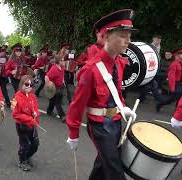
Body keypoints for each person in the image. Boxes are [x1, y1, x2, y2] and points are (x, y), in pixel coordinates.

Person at [66, 9, 137, 180]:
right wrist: (73, 134)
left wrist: (124, 107)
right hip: (99, 127)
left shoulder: (119, 63)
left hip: (116, 122)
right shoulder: (90, 69)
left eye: (129, 36)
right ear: (105, 36)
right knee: (115, 170)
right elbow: (77, 105)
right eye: (122, 35)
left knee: (102, 163)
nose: (128, 41)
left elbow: (116, 93)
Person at [11, 75, 40, 171]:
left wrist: (36, 113)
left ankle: (27, 156)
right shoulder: (17, 97)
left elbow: (35, 108)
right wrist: (29, 119)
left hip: (33, 124)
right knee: (25, 144)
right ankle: (22, 160)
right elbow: (15, 114)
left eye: (31, 84)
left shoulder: (33, 96)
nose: (29, 86)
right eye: (26, 84)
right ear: (21, 84)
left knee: (35, 144)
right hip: (22, 125)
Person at [45, 55, 66, 122]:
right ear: (58, 61)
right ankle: (62, 116)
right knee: (58, 102)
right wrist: (48, 85)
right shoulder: (54, 68)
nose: (64, 61)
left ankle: (49, 111)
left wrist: (63, 82)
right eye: (62, 60)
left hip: (60, 86)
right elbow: (46, 77)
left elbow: (61, 76)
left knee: (52, 100)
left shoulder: (62, 67)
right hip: (54, 87)